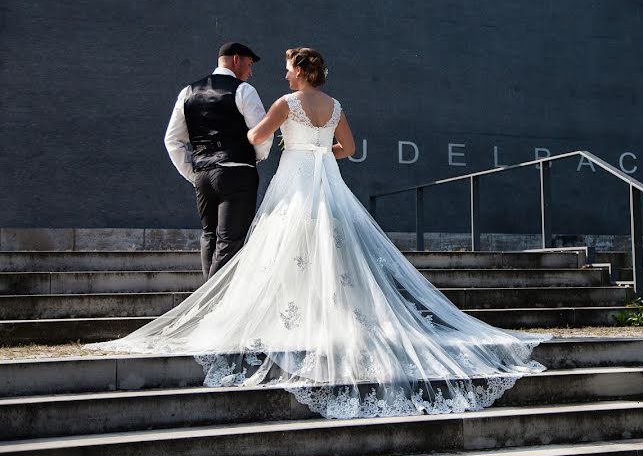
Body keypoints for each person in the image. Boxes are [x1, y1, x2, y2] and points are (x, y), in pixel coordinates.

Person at [88, 47, 549, 420]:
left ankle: (278, 311)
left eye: (288, 68)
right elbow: (347, 148)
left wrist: (278, 138)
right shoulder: (335, 105)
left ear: (299, 72)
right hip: (325, 179)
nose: (284, 74)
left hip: (292, 181)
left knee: (280, 243)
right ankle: (332, 309)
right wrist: (319, 147)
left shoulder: (285, 103)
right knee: (328, 247)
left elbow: (254, 138)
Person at [163, 43, 274, 278]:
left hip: (203, 174)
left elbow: (172, 141)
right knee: (230, 241)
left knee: (209, 235)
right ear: (237, 60)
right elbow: (263, 133)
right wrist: (256, 158)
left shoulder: (187, 92)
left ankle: (209, 299)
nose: (250, 71)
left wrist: (193, 174)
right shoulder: (244, 90)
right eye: (250, 64)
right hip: (237, 172)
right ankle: (211, 306)